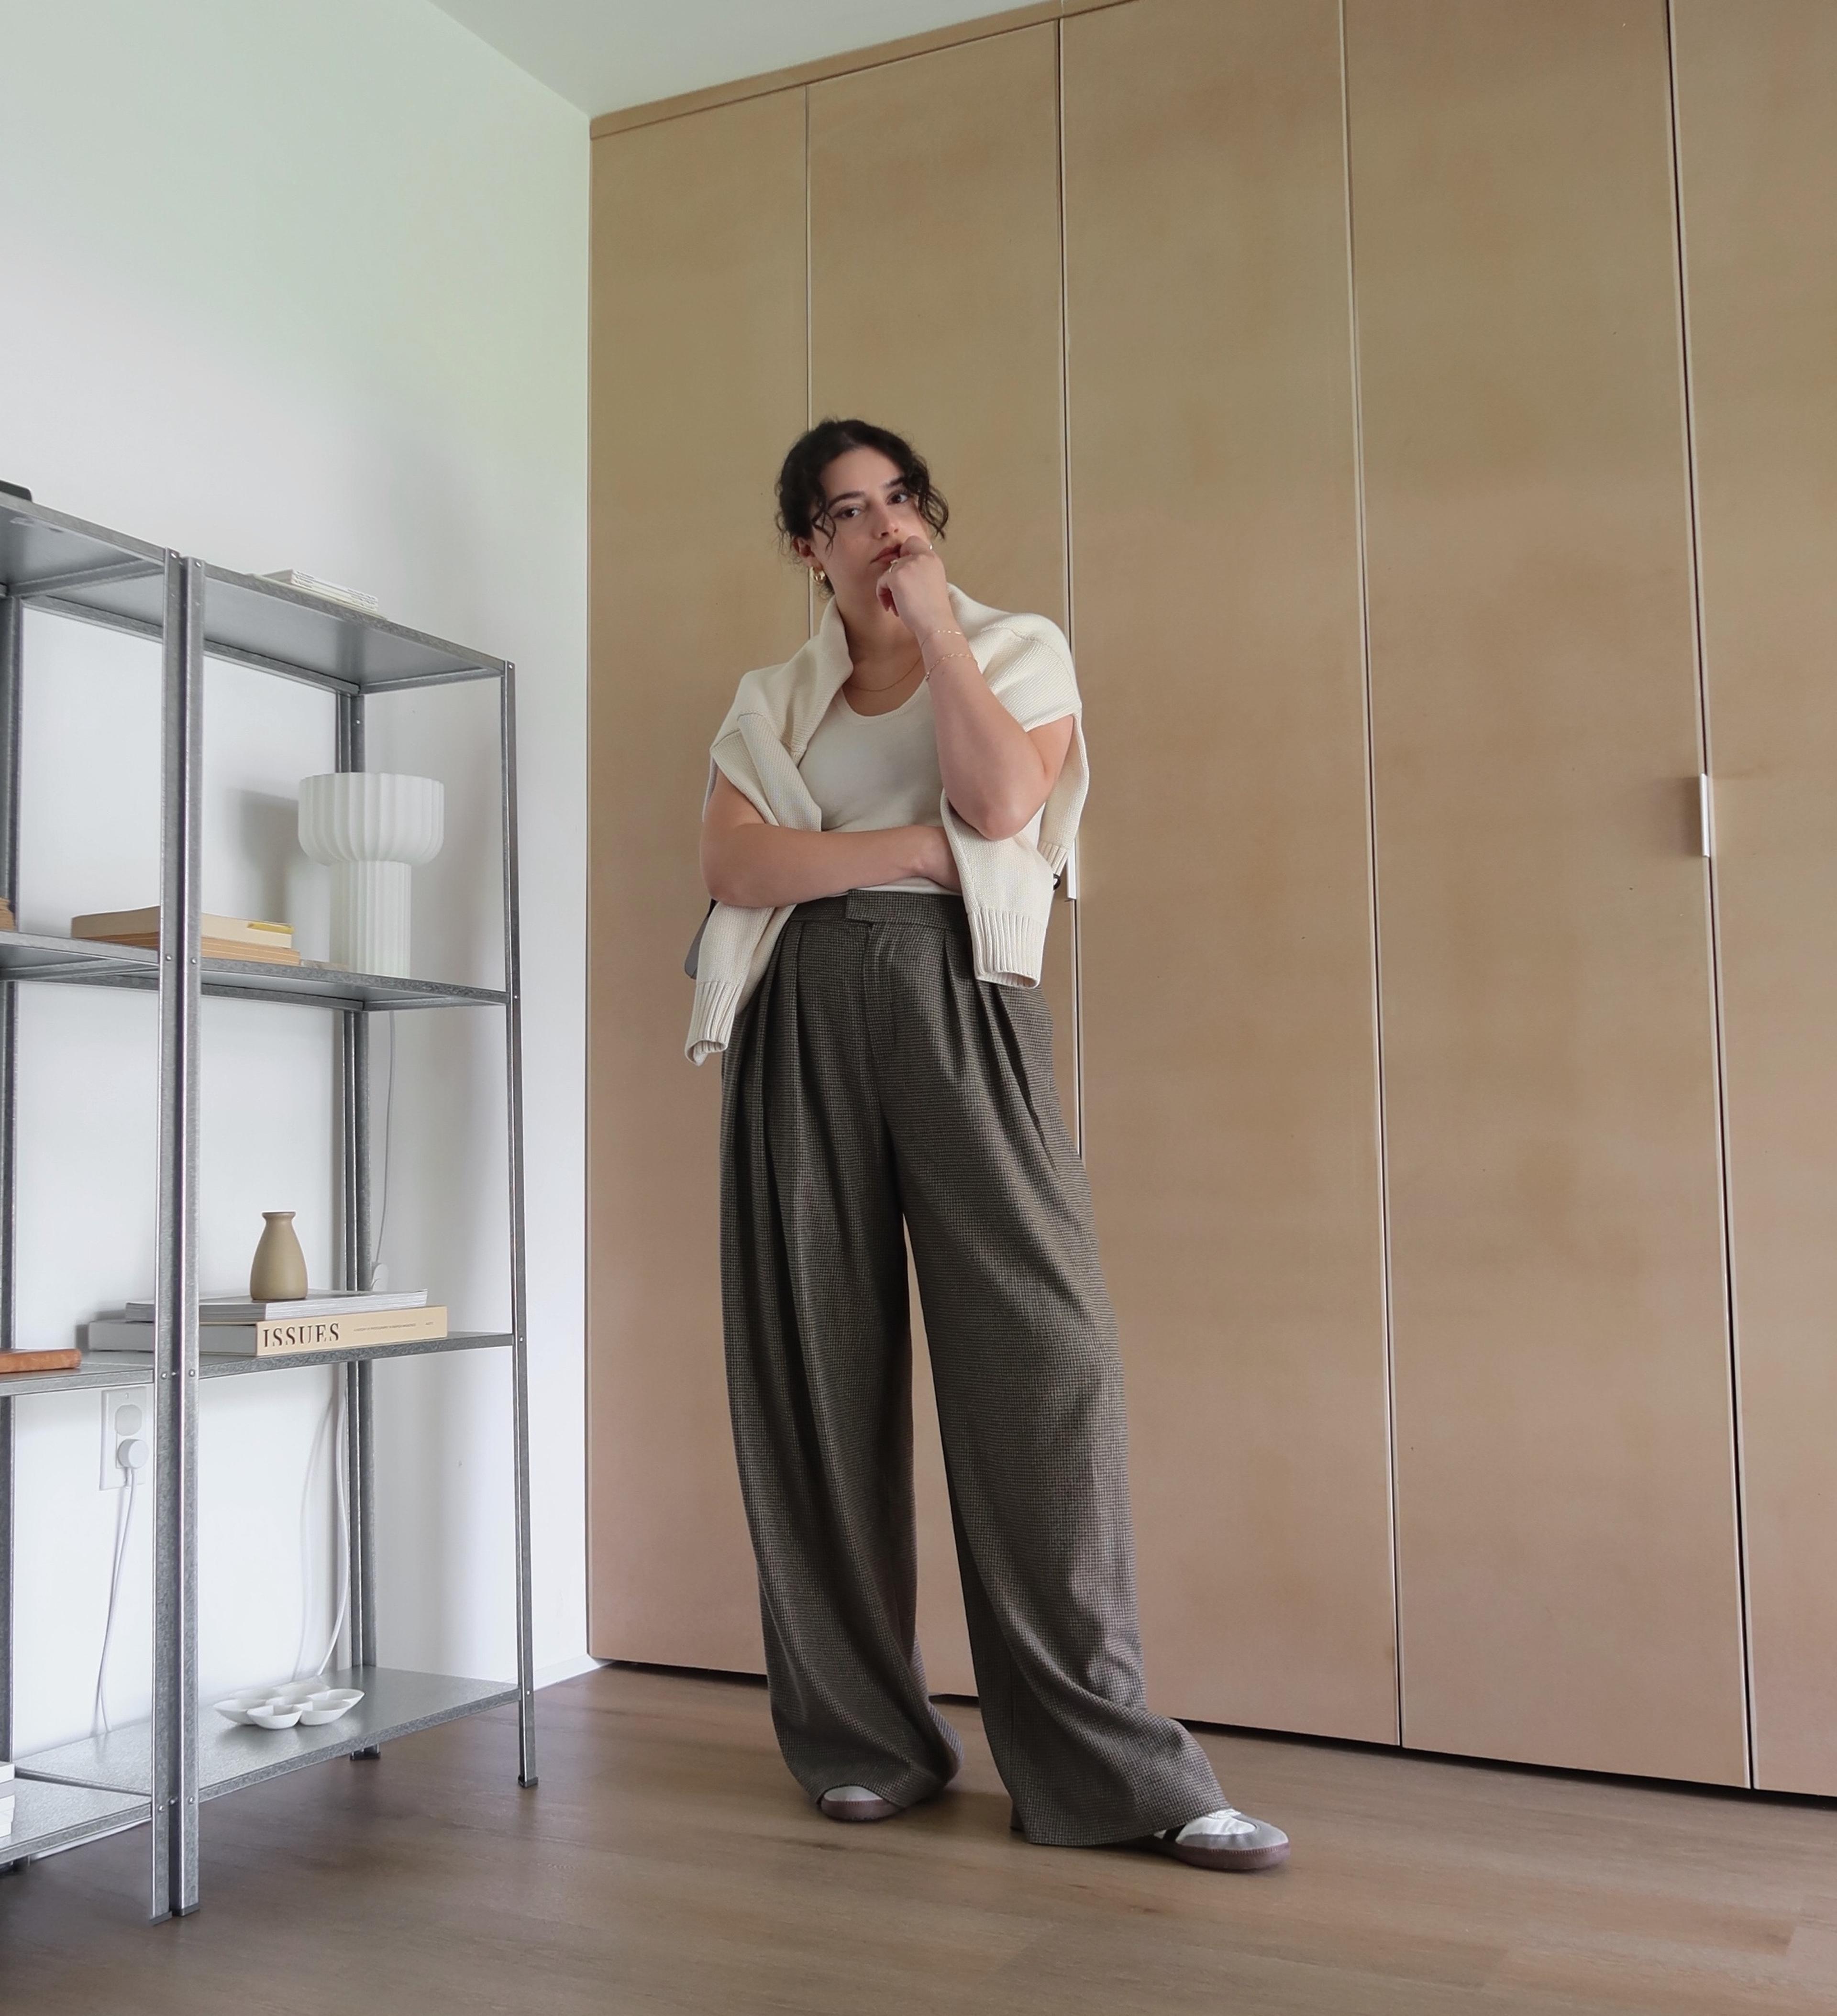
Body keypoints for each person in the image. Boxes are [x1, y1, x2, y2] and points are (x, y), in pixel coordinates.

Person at [690, 417, 1288, 1873]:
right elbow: (737, 864)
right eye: (850, 510)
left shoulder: (1018, 650)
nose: (886, 524)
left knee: (1047, 1359)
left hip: (964, 999)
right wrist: (914, 853)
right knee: (814, 1372)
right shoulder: (773, 698)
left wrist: (940, 634)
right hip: (796, 1014)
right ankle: (863, 1740)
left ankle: (1110, 1770)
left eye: (902, 498)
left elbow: (1007, 803)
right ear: (808, 546)